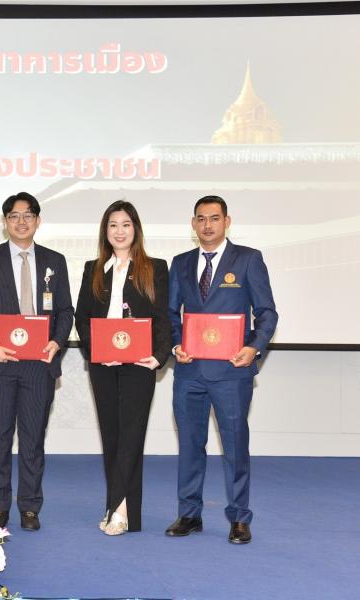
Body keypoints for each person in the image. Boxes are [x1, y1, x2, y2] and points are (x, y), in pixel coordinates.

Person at [165, 195, 278, 544]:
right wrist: (176, 345)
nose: (207, 225)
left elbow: (267, 313)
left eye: (214, 218)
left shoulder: (248, 259)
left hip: (231, 373)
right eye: (201, 218)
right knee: (190, 446)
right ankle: (189, 513)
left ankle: (239, 517)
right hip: (189, 372)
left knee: (235, 446)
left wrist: (253, 348)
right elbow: (169, 314)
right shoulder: (180, 263)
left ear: (227, 222)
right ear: (193, 223)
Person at [0, 192, 74, 531]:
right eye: (14, 216)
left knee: (33, 438)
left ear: (38, 221)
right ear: (5, 222)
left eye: (28, 215)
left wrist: (57, 341)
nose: (21, 221)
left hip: (39, 364)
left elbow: (65, 310)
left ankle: (29, 507)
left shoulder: (55, 261)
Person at [74, 200, 171, 536]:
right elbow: (82, 318)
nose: (119, 231)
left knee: (131, 436)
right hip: (103, 365)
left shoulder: (154, 268)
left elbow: (163, 317)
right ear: (105, 231)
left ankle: (119, 510)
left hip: (139, 364)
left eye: (126, 224)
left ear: (136, 229)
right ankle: (121, 508)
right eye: (113, 225)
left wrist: (159, 356)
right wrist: (96, 351)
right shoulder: (93, 269)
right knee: (112, 435)